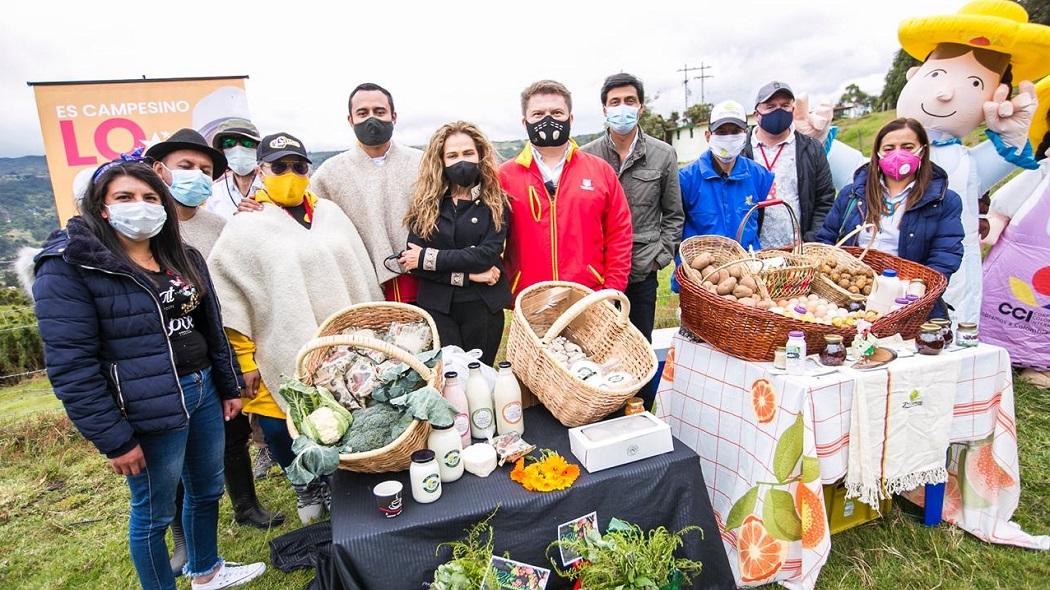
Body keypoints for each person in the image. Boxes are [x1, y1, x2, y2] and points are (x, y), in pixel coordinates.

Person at [31, 156, 265, 590]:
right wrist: (114, 438)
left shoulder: (180, 255)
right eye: (125, 197)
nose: (139, 205)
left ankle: (207, 569)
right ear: (101, 206)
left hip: (202, 391)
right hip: (147, 407)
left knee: (206, 489)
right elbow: (71, 367)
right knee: (153, 513)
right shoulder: (70, 267)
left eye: (149, 197)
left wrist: (227, 383)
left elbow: (210, 324)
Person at [804, 1, 1050, 324]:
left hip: (934, 291)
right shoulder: (862, 186)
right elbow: (832, 227)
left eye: (975, 84)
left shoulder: (954, 180)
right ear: (915, 76)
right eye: (936, 75)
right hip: (863, 291)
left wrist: (1012, 139)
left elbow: (950, 246)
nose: (946, 93)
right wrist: (819, 141)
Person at [207, 132, 383, 524]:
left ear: (308, 170)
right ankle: (304, 483)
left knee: (342, 416)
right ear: (261, 171)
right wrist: (244, 361)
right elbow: (231, 294)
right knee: (279, 423)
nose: (290, 173)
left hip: (340, 342)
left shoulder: (331, 215)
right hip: (278, 343)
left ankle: (339, 484)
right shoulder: (245, 226)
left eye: (298, 166)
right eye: (279, 167)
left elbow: (357, 272)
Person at [145, 130, 283, 575]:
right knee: (174, 452)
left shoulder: (217, 226)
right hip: (162, 360)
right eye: (187, 168)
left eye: (205, 170)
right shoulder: (149, 228)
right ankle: (182, 539)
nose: (197, 177)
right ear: (160, 170)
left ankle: (246, 504)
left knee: (230, 433)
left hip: (215, 346)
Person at [816, 118, 964, 319]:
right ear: (877, 153)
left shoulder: (944, 201)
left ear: (922, 150)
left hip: (909, 305)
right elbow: (826, 239)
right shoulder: (852, 195)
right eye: (888, 148)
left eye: (907, 147)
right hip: (850, 301)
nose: (897, 154)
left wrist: (915, 294)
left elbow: (945, 257)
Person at [499, 80, 633, 299]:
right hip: (529, 299)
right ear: (525, 122)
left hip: (589, 296)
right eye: (538, 114)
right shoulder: (503, 176)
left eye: (557, 112)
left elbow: (619, 233)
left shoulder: (600, 171)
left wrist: (612, 288)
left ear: (570, 118)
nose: (548, 119)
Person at [581, 73, 683, 342]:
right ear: (604, 109)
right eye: (615, 102)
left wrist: (658, 258)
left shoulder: (663, 154)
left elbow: (674, 214)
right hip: (598, 273)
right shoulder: (586, 156)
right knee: (597, 345)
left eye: (629, 100)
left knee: (639, 345)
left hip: (642, 270)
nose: (622, 107)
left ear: (641, 107)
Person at [400, 122, 511, 365]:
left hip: (483, 307)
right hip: (438, 308)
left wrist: (431, 258)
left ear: (480, 155)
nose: (461, 161)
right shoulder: (426, 203)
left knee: (479, 376)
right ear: (441, 160)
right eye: (452, 155)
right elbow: (415, 265)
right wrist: (470, 276)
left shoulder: (496, 202)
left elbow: (487, 255)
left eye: (468, 153)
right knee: (449, 380)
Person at [309, 83, 424, 303]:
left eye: (379, 112)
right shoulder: (329, 173)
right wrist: (262, 203)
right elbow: (303, 210)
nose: (372, 119)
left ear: (394, 116)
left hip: (421, 280)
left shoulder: (422, 163)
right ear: (350, 120)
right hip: (361, 281)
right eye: (363, 113)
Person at [980, 76, 1050, 386]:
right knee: (1003, 306)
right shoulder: (1043, 171)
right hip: (1016, 263)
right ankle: (994, 349)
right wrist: (988, 229)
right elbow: (1003, 206)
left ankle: (1038, 362)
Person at [676, 100, 774, 291]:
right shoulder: (686, 179)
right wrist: (688, 273)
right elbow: (676, 227)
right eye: (721, 132)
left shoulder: (759, 175)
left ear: (745, 134)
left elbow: (757, 219)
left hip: (747, 276)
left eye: (735, 131)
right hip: (703, 278)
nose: (728, 138)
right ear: (708, 135)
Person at [743, 81, 835, 246]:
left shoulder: (811, 149)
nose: (779, 110)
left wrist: (810, 241)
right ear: (757, 114)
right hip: (753, 252)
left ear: (793, 109)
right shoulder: (742, 151)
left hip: (797, 252)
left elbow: (825, 200)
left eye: (785, 105)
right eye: (770, 106)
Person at [206, 119, 263, 221]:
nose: (238, 149)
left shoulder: (271, 187)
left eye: (247, 143)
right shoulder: (215, 192)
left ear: (258, 149)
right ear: (222, 152)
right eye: (229, 144)